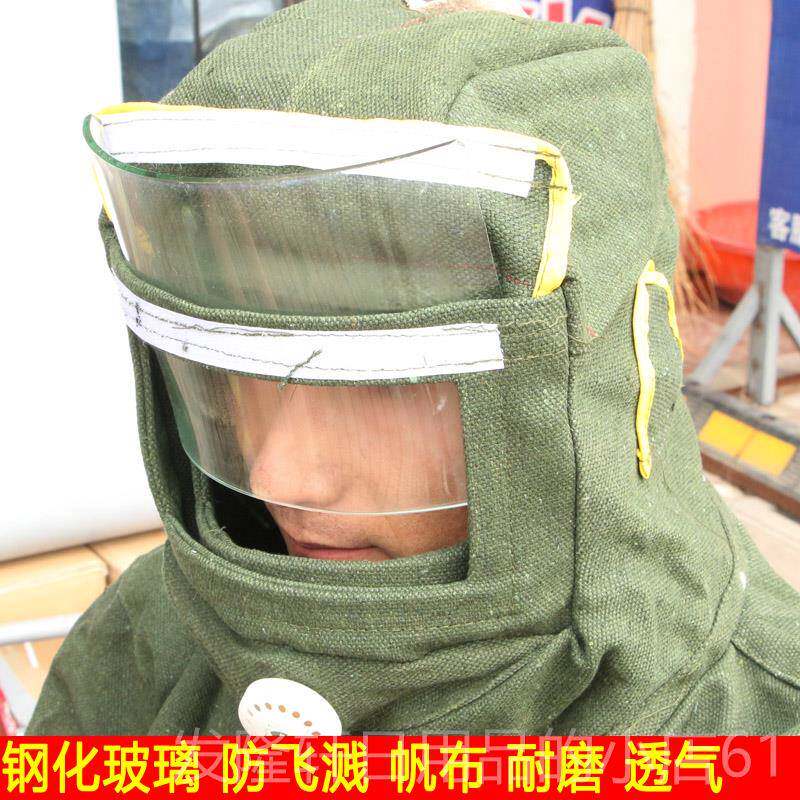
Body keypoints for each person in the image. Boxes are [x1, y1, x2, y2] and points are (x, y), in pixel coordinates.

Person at [29, 0, 800, 736]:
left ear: (591, 379)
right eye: (243, 374)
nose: (276, 475)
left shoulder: (761, 730)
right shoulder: (140, 648)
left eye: (386, 380)